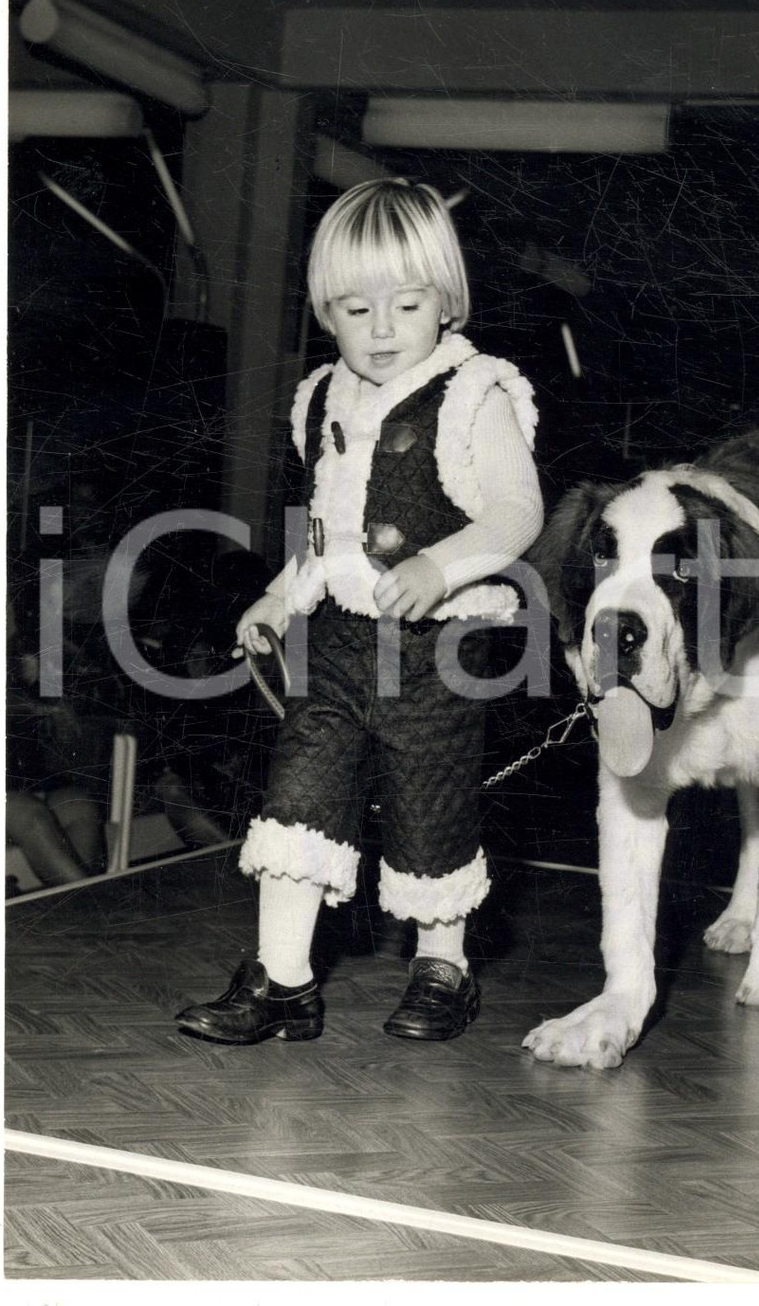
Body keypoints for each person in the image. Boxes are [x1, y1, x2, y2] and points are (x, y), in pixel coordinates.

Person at [175, 178, 543, 1045]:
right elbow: (316, 528)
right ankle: (282, 981)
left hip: (439, 646)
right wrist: (277, 591)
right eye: (354, 308)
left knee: (430, 805)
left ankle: (441, 965)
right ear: (324, 312)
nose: (381, 330)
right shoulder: (319, 400)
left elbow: (516, 513)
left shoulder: (474, 393)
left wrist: (440, 564)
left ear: (446, 303)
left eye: (406, 304)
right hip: (337, 641)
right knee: (298, 798)